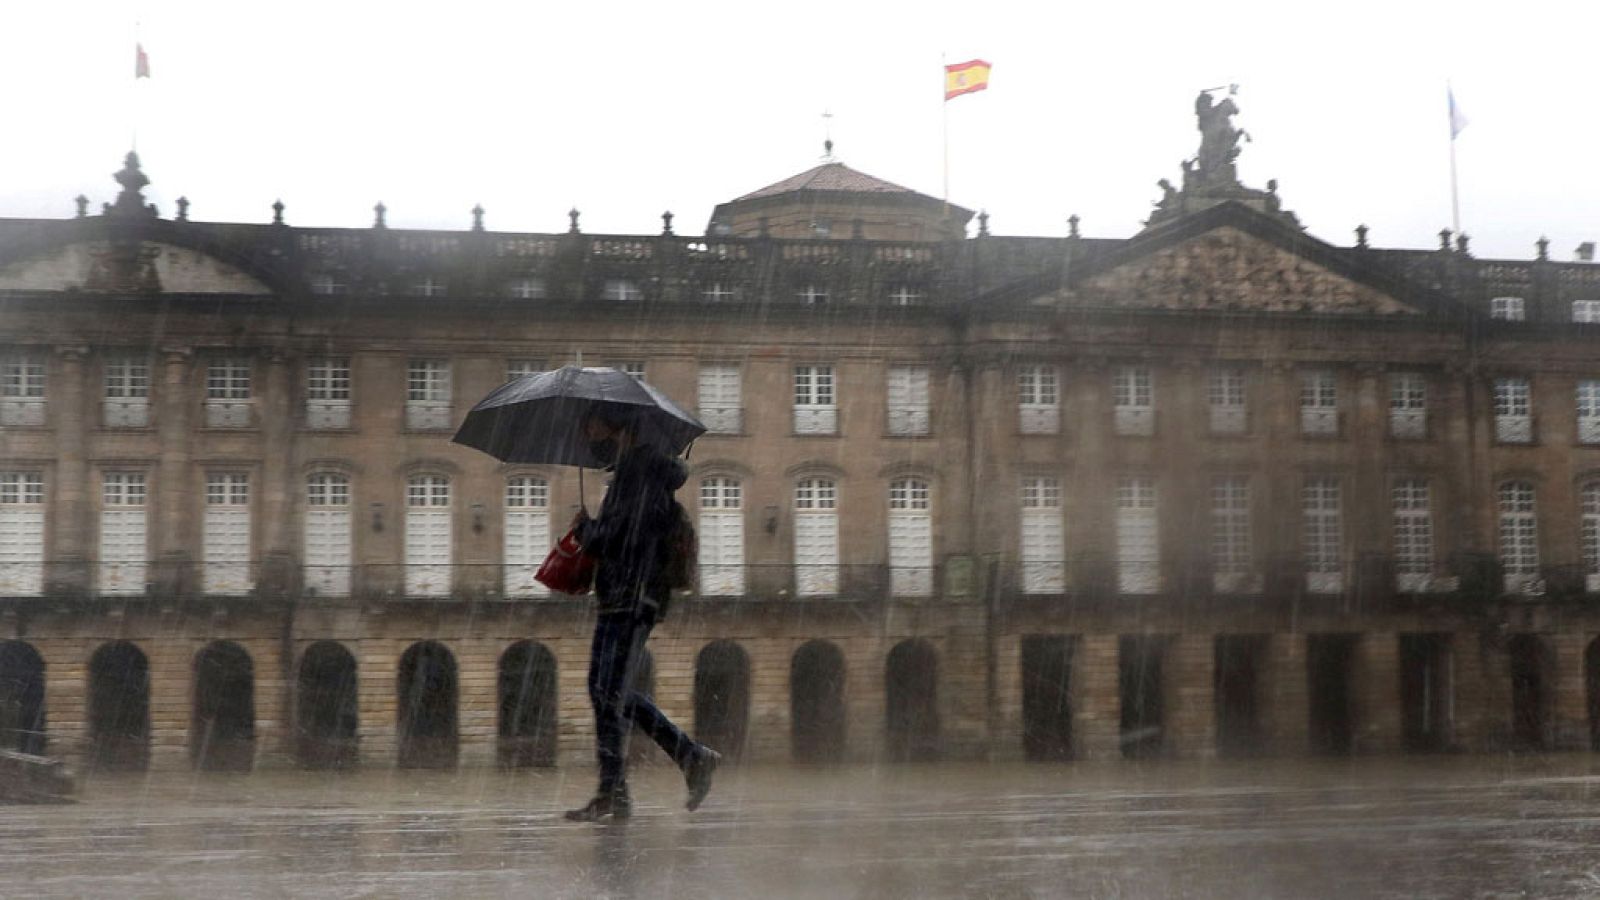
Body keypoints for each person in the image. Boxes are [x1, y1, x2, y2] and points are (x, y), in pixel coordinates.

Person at [564, 408, 719, 821]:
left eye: (591, 421)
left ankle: (679, 760)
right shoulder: (633, 472)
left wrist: (586, 530)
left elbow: (622, 536)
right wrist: (596, 528)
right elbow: (626, 530)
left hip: (632, 596)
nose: (586, 429)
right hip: (623, 594)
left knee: (609, 691)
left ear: (616, 425)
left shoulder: (640, 472)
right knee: (605, 691)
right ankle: (621, 787)